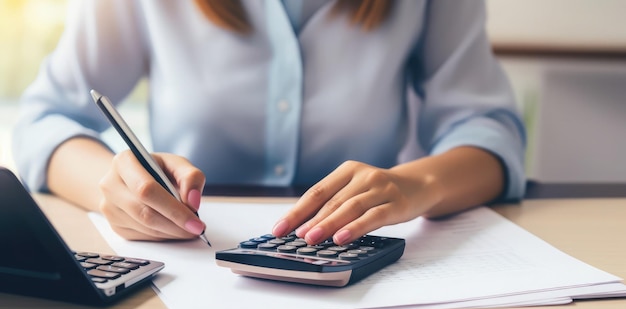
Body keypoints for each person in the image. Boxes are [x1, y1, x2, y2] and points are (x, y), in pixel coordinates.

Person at [13, 0, 526, 246]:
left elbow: (488, 128)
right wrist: (118, 190)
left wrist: (416, 185)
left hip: (359, 266)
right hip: (186, 265)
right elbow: (44, 118)